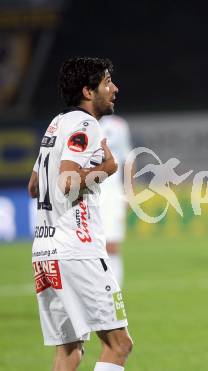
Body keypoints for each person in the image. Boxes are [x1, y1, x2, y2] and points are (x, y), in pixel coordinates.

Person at [28, 57, 133, 371]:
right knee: (118, 344)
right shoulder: (85, 124)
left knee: (69, 350)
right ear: (88, 91)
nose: (114, 88)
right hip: (76, 250)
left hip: (45, 252)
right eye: (106, 83)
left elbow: (34, 186)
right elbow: (68, 182)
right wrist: (107, 169)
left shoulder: (56, 124)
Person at [99, 114, 133, 287]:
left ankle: (113, 293)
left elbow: (128, 160)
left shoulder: (118, 125)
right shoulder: (75, 123)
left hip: (111, 193)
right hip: (84, 193)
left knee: (111, 245)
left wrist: (129, 193)